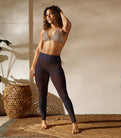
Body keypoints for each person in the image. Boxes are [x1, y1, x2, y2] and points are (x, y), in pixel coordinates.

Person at [30, 5, 79, 134]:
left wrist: (61, 12)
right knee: (42, 93)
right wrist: (33, 66)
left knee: (63, 93)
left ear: (56, 14)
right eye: (46, 15)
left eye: (51, 14)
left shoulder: (63, 31)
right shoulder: (44, 30)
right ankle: (43, 121)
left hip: (54, 64)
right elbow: (38, 49)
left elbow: (68, 24)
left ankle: (74, 123)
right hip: (41, 63)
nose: (48, 17)